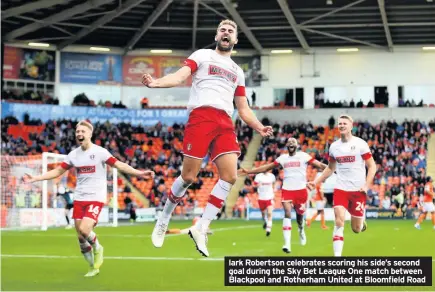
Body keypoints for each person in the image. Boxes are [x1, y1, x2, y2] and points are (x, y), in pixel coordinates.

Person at [142, 19, 273, 257]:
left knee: (230, 176)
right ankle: (164, 218)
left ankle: (202, 226)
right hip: (201, 117)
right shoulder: (202, 55)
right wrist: (156, 83)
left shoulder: (238, 71)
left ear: (235, 40)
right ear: (216, 36)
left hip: (225, 121)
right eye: (222, 29)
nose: (226, 33)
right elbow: (180, 77)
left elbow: (243, 108)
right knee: (189, 177)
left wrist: (259, 127)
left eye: (230, 31)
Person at [23, 120, 154, 276]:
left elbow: (119, 165)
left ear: (90, 134)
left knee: (85, 230)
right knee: (80, 237)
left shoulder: (100, 152)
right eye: (77, 132)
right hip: (80, 198)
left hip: (96, 197)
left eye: (83, 131)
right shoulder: (73, 155)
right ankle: (93, 267)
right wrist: (35, 178)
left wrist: (139, 173)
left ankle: (98, 248)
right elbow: (57, 171)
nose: (79, 134)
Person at [239, 138, 327, 253]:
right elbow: (267, 167)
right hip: (287, 190)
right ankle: (287, 244)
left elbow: (319, 164)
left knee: (300, 219)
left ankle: (301, 230)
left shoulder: (303, 156)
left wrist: (333, 169)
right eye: (289, 142)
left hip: (300, 191)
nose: (291, 143)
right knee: (287, 213)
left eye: (293, 142)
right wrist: (250, 171)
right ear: (286, 145)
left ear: (297, 145)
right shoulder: (282, 158)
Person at [307, 114, 376, 257]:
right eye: (340, 123)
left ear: (351, 126)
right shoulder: (334, 147)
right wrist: (315, 182)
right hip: (341, 188)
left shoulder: (360, 144)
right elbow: (330, 168)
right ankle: (337, 257)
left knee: (356, 229)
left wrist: (366, 185)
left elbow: (372, 166)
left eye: (345, 123)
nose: (342, 125)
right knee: (339, 220)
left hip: (358, 190)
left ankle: (361, 223)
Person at [253, 170, 276, 236]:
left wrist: (273, 190)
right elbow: (254, 185)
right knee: (263, 214)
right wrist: (257, 185)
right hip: (261, 198)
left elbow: (274, 183)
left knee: (269, 213)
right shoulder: (258, 176)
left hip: (269, 197)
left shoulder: (271, 176)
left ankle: (268, 229)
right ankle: (266, 222)